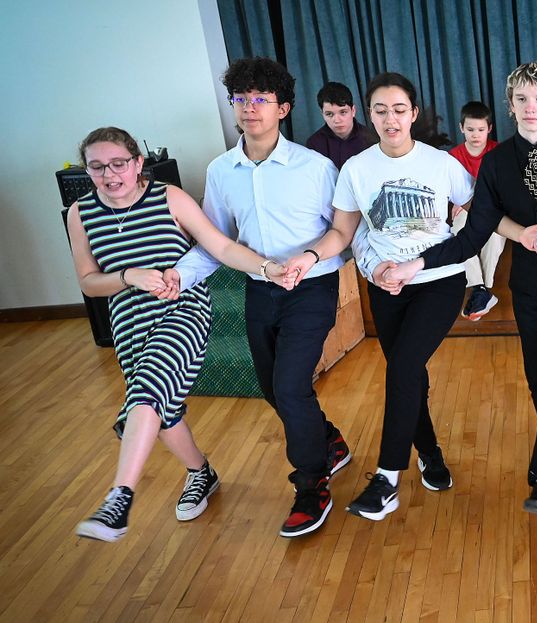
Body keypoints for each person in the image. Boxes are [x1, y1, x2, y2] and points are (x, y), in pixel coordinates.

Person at [386, 62, 537, 515]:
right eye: (522, 99)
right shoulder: (494, 163)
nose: (532, 108)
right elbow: (473, 234)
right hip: (529, 286)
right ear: (509, 108)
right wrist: (418, 263)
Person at [68, 127, 293, 542]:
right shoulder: (80, 213)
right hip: (127, 319)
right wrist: (128, 276)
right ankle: (200, 473)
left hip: (182, 308)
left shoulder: (169, 197)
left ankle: (119, 498)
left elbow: (220, 247)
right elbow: (88, 281)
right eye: (97, 167)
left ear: (137, 164)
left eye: (119, 163)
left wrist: (266, 268)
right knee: (163, 409)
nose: (109, 174)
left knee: (149, 391)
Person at [171, 57, 353, 538]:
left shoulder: (315, 167)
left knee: (291, 387)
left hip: (312, 286)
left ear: (283, 108)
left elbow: (341, 231)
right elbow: (215, 243)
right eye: (241, 99)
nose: (249, 109)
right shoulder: (221, 170)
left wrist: (307, 260)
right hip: (260, 286)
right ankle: (329, 438)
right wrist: (176, 276)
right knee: (274, 388)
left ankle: (311, 485)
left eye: (261, 100)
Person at [313, 72, 472, 521]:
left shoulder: (440, 163)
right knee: (410, 372)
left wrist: (456, 237)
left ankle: (386, 478)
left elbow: (474, 208)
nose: (390, 119)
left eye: (399, 109)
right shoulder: (357, 169)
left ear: (414, 113)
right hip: (387, 287)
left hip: (438, 281)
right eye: (380, 111)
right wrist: (363, 265)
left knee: (403, 366)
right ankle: (431, 452)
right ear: (370, 115)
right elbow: (344, 231)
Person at [449, 101, 504, 320]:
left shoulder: (498, 152)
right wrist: (459, 203)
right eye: (470, 129)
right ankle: (480, 288)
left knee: (496, 234)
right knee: (459, 230)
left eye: (481, 130)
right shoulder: (453, 157)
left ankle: (482, 289)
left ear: (489, 129)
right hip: (466, 207)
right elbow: (452, 191)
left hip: (494, 207)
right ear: (461, 128)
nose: (475, 135)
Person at [304, 81, 376, 170]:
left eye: (343, 112)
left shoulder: (372, 140)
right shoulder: (314, 144)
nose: (337, 120)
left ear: (353, 111)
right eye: (329, 114)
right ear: (322, 114)